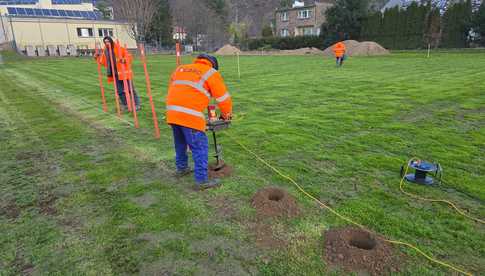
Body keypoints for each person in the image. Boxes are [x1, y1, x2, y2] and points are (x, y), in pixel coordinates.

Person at [165, 54, 233, 190]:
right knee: (200, 147)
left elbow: (178, 89)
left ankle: (182, 168)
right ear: (213, 65)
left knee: (180, 143)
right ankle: (201, 181)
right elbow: (223, 98)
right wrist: (226, 116)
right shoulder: (211, 73)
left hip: (172, 113)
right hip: (190, 116)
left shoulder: (181, 68)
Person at [97, 36, 140, 111]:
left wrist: (124, 60)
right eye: (105, 42)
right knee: (119, 91)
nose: (107, 43)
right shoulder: (105, 51)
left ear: (111, 41)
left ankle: (137, 105)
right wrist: (97, 58)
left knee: (130, 89)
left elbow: (129, 56)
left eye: (108, 41)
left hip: (124, 73)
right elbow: (103, 62)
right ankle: (126, 104)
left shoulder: (120, 48)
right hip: (115, 74)